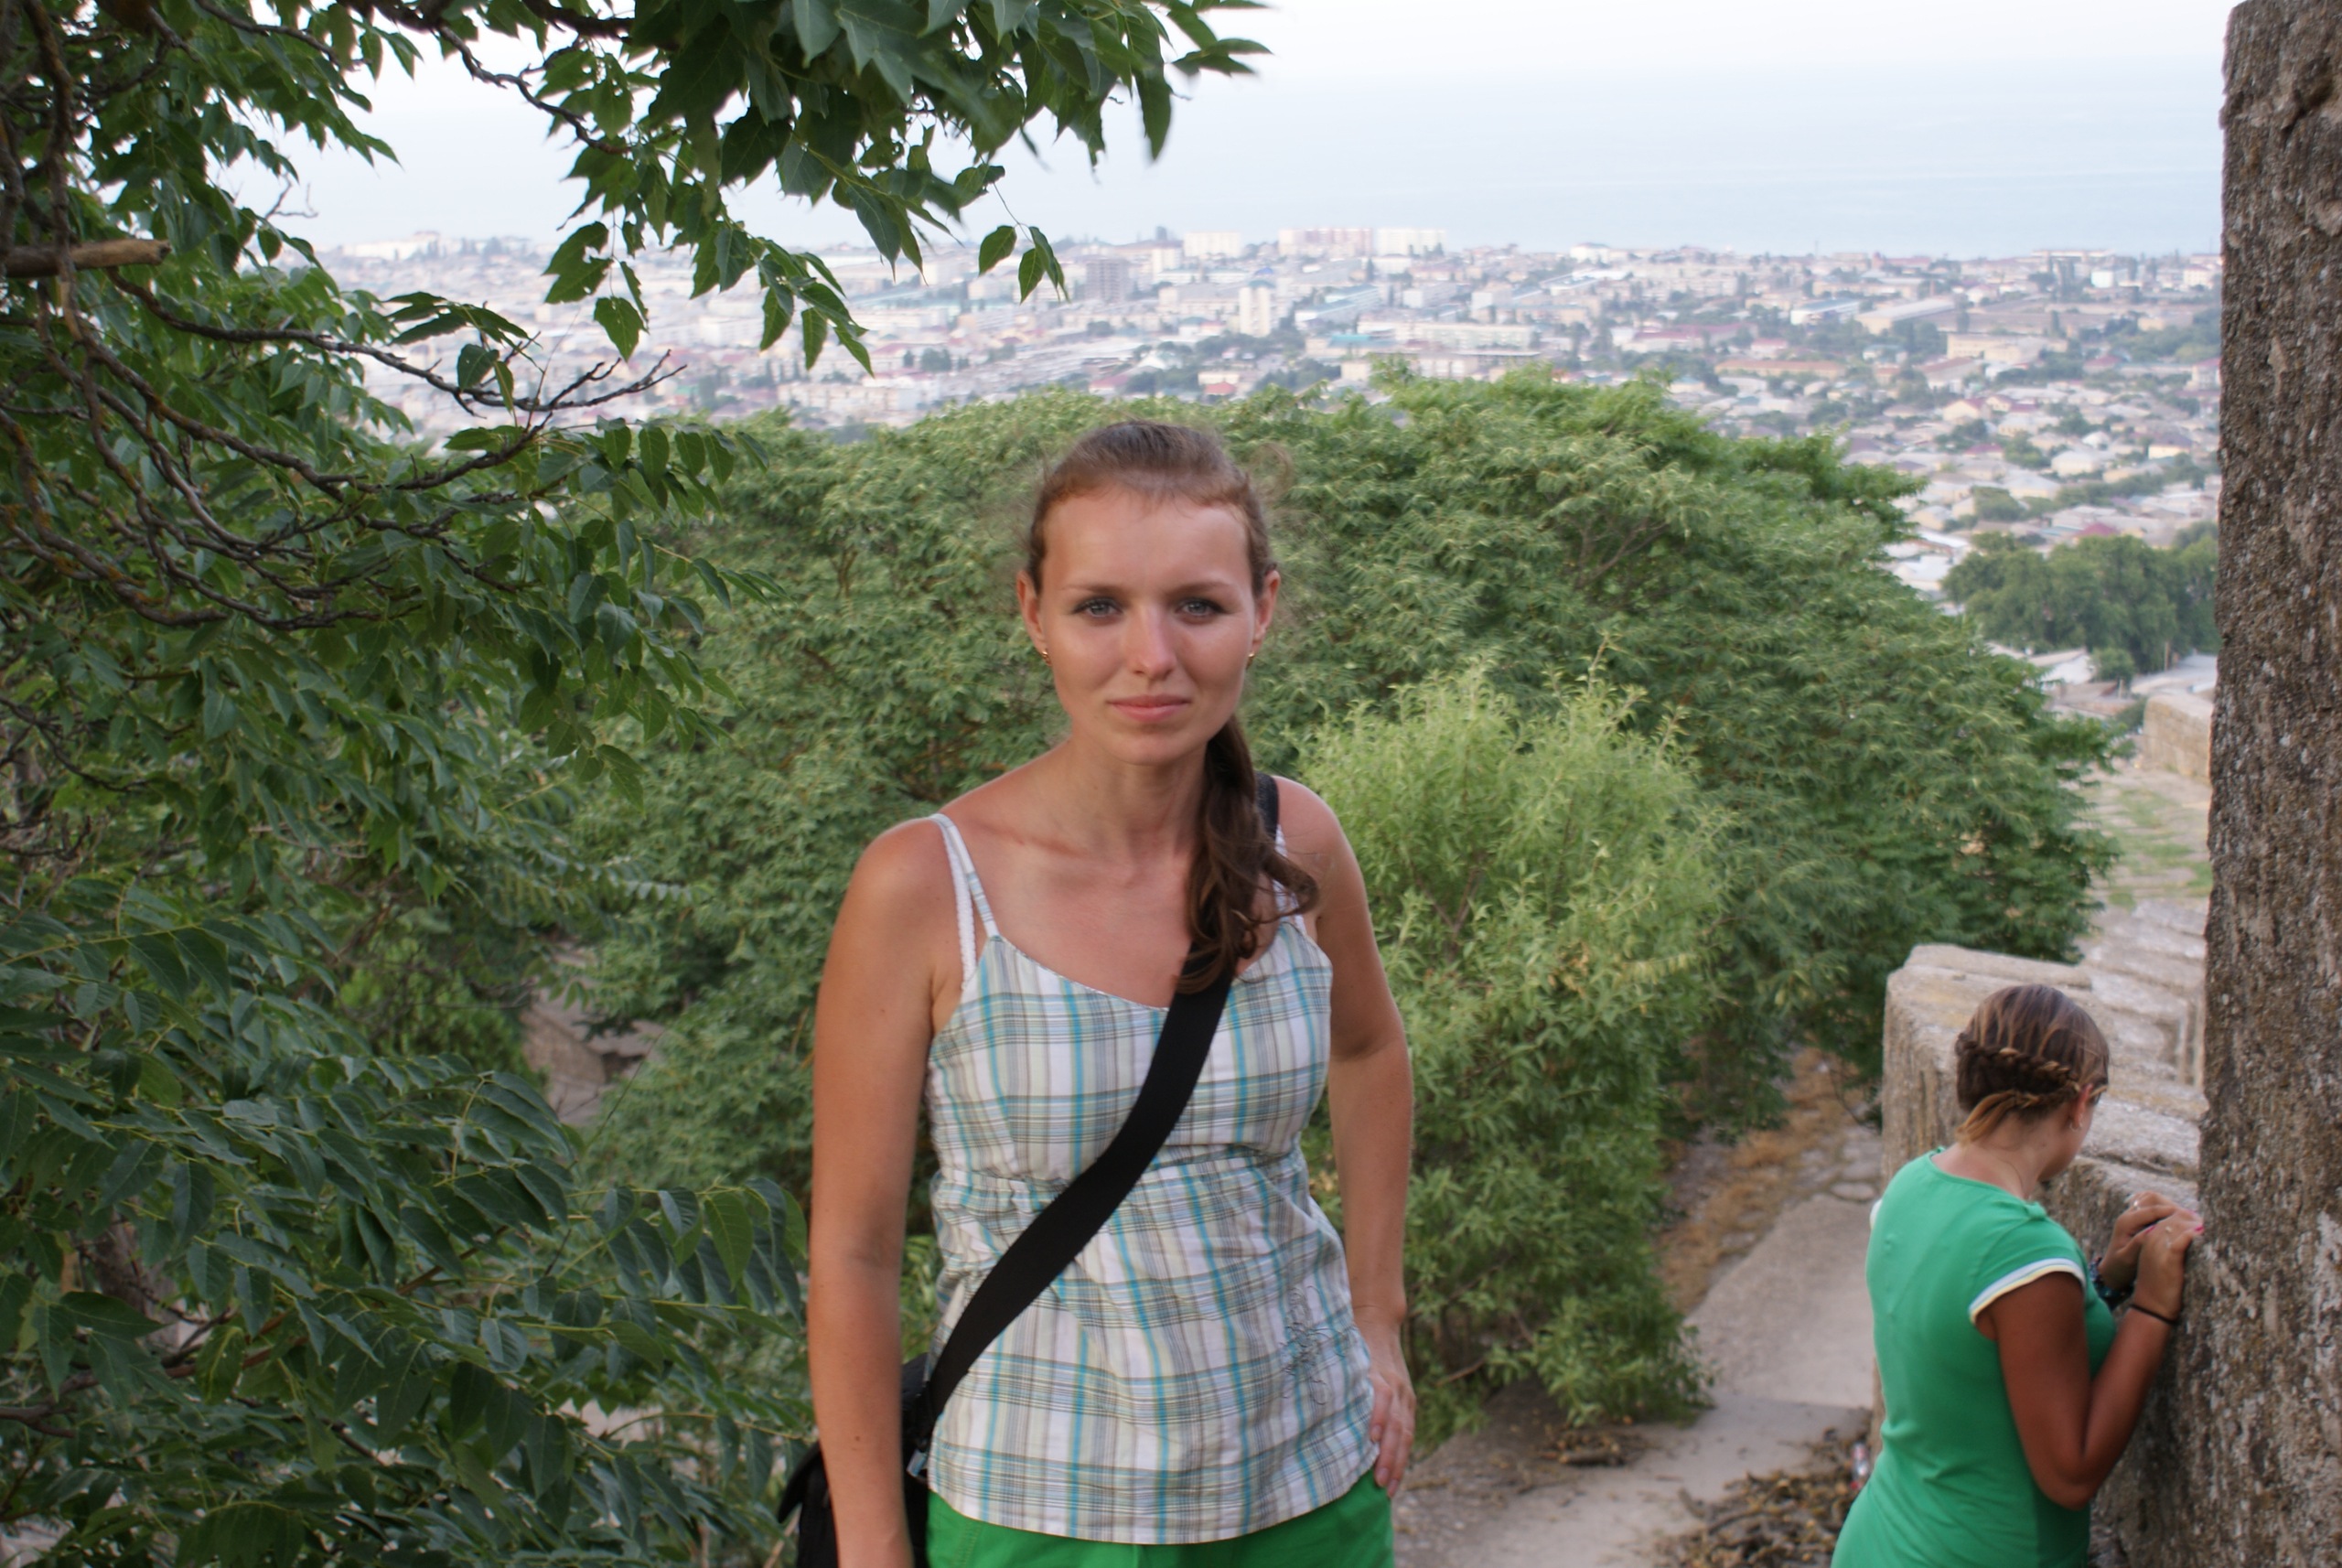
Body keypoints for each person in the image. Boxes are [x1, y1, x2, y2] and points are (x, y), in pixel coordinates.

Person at [806, 420, 1416, 1568]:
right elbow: (851, 1251)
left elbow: (1370, 1053)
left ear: (1261, 610)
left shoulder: (1296, 844)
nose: (1151, 656)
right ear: (1032, 611)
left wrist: (1376, 1319)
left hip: (1309, 1483)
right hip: (1040, 1506)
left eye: (1197, 605)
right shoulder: (928, 886)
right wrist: (876, 1548)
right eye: (1099, 607)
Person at [1833, 983, 2200, 1567]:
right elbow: (2071, 1474)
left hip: (1880, 1541)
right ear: (2080, 1103)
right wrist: (2153, 1307)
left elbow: (1983, 1348)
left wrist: (2102, 1281)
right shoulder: (2025, 1249)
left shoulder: (1911, 1188)